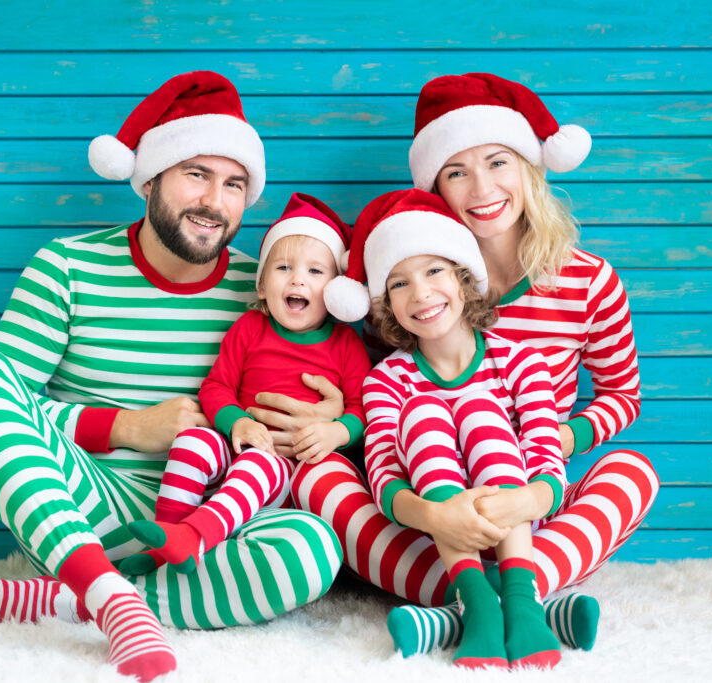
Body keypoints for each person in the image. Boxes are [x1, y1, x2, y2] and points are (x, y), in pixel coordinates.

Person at [0, 71, 343, 683]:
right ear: (149, 178)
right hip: (81, 507)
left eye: (234, 184)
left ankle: (80, 601)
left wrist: (330, 420)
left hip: (211, 520)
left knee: (313, 549)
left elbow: (347, 393)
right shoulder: (65, 267)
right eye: (195, 174)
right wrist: (124, 427)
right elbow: (4, 398)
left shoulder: (269, 290)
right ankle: (101, 583)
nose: (215, 201)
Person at [295, 72, 659, 657]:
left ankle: (489, 600)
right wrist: (347, 415)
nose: (481, 186)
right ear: (436, 188)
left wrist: (544, 466)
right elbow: (381, 407)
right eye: (457, 172)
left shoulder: (589, 281)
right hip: (429, 507)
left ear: (529, 168)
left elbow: (623, 396)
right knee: (315, 477)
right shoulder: (411, 282)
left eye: (497, 162)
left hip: (534, 491)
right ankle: (508, 602)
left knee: (634, 472)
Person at [344, 189, 565, 669]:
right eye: (398, 285)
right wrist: (435, 517)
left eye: (434, 271)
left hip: (520, 527)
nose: (420, 293)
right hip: (432, 539)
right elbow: (383, 474)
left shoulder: (524, 362)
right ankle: (479, 603)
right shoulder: (386, 380)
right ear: (385, 306)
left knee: (479, 409)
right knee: (425, 412)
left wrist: (523, 501)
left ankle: (520, 601)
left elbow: (547, 454)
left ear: (465, 280)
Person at [120, 193, 371, 573]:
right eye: (284, 268)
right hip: (236, 447)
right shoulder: (249, 328)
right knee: (192, 439)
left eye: (316, 272)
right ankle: (165, 539)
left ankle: (195, 537)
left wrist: (337, 433)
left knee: (257, 462)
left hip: (287, 469)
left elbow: (361, 408)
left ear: (336, 293)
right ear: (261, 286)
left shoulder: (345, 344)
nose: (298, 279)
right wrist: (238, 422)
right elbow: (215, 388)